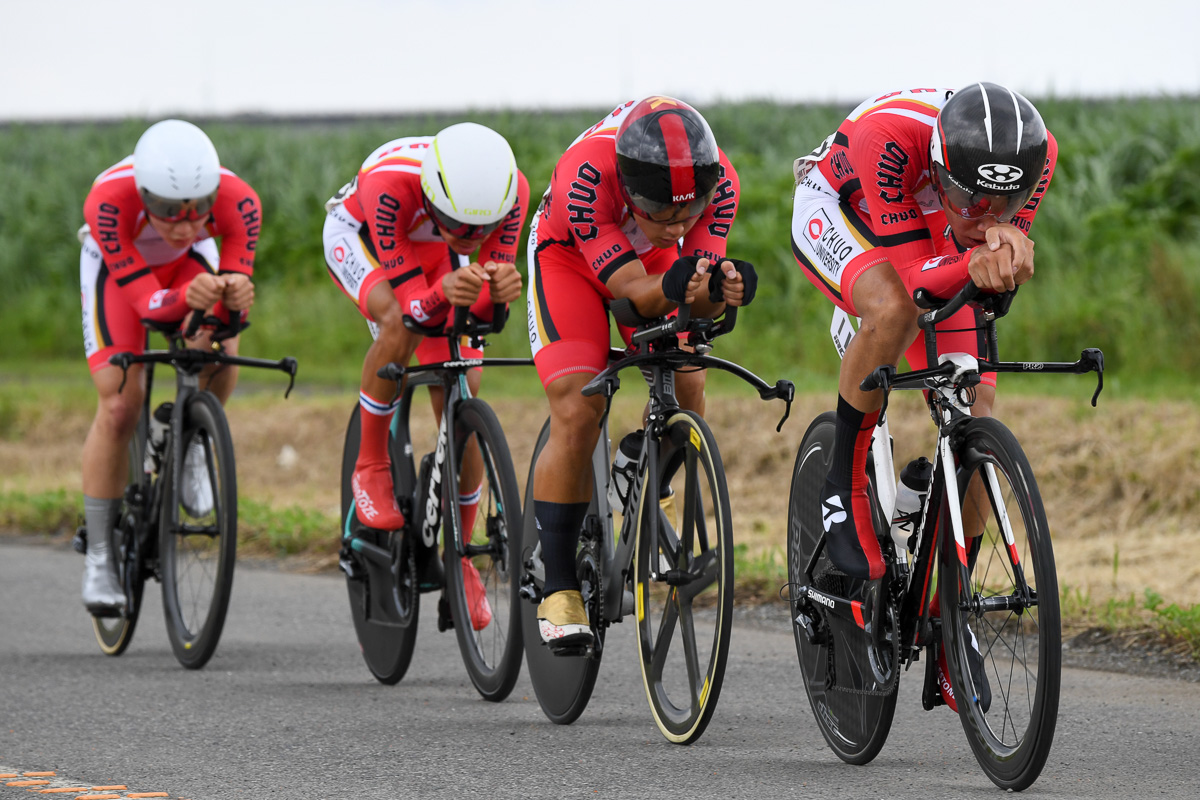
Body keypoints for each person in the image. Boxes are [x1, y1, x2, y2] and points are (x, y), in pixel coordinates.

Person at [790, 82, 1058, 709]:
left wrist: (1002, 251)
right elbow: (914, 286)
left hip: (929, 221)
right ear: (941, 165)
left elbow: (984, 241)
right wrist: (980, 255)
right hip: (841, 204)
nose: (985, 212)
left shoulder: (1037, 154)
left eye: (1004, 201)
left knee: (974, 400)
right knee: (891, 310)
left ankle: (947, 615)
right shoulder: (890, 139)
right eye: (973, 196)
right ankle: (844, 485)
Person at [526, 96, 758, 651]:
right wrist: (682, 286)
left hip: (651, 263)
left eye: (689, 213)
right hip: (571, 261)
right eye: (661, 212)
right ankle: (555, 579)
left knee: (690, 380)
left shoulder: (719, 181)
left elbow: (693, 287)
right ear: (630, 192)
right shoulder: (587, 175)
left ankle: (640, 466)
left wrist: (719, 290)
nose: (679, 224)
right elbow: (633, 293)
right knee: (581, 404)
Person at [324, 122, 529, 631]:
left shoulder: (512, 193)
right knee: (398, 324)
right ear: (432, 196)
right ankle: (370, 464)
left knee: (465, 389)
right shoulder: (390, 187)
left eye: (479, 231)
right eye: (457, 224)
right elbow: (416, 305)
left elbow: (483, 299)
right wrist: (448, 289)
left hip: (435, 255)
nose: (470, 238)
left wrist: (500, 285)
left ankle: (458, 556)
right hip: (364, 239)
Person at [79, 119, 261, 613]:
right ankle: (99, 556)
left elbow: (233, 306)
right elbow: (145, 303)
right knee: (120, 401)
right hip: (121, 273)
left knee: (217, 350)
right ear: (143, 195)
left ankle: (194, 444)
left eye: (198, 212)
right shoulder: (108, 201)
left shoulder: (239, 201)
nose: (184, 225)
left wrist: (236, 293)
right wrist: (186, 297)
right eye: (167, 213)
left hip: (188, 265)